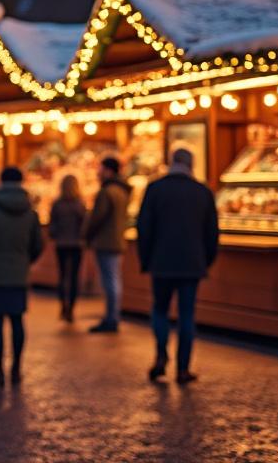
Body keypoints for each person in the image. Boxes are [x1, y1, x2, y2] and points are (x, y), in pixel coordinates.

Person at [137, 148, 219, 385]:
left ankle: (161, 354)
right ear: (192, 165)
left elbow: (145, 228)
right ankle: (183, 368)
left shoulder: (155, 189)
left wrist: (146, 259)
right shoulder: (202, 192)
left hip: (161, 262)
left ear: (171, 162)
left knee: (160, 310)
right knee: (187, 315)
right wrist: (206, 260)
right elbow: (212, 232)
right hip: (192, 263)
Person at [0, 166, 44, 387]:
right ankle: (16, 369)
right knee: (17, 320)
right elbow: (38, 244)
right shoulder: (30, 212)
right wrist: (25, 261)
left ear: (0, 182)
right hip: (19, 273)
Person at [84, 156, 131, 333]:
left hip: (106, 241)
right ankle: (113, 316)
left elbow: (97, 217)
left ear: (108, 171)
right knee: (114, 280)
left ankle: (111, 318)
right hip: (117, 240)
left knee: (110, 281)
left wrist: (87, 235)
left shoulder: (107, 192)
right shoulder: (123, 190)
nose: (98, 172)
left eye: (100, 169)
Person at [47, 174, 87, 322]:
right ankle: (71, 306)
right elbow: (84, 223)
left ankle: (63, 304)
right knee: (74, 276)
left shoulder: (58, 204)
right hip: (76, 244)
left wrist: (55, 235)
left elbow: (53, 225)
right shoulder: (79, 204)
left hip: (62, 243)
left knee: (63, 275)